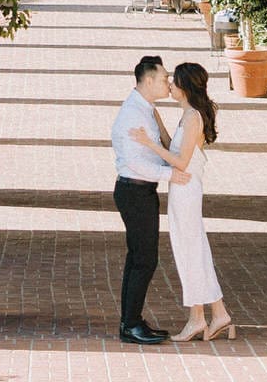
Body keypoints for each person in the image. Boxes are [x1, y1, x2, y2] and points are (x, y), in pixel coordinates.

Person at [133, 61, 233, 340]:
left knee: (190, 251)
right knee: (193, 251)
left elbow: (180, 161)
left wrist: (147, 143)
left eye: (174, 82)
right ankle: (214, 314)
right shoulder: (188, 114)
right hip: (182, 191)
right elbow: (172, 146)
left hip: (186, 191)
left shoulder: (192, 118)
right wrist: (157, 123)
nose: (170, 86)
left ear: (186, 87)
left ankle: (200, 318)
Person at [108, 54, 175, 345]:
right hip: (134, 191)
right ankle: (130, 324)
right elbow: (135, 163)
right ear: (148, 80)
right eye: (164, 78)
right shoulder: (134, 113)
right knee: (144, 260)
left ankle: (131, 320)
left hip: (142, 191)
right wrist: (172, 174)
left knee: (140, 259)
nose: (168, 83)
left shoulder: (145, 108)